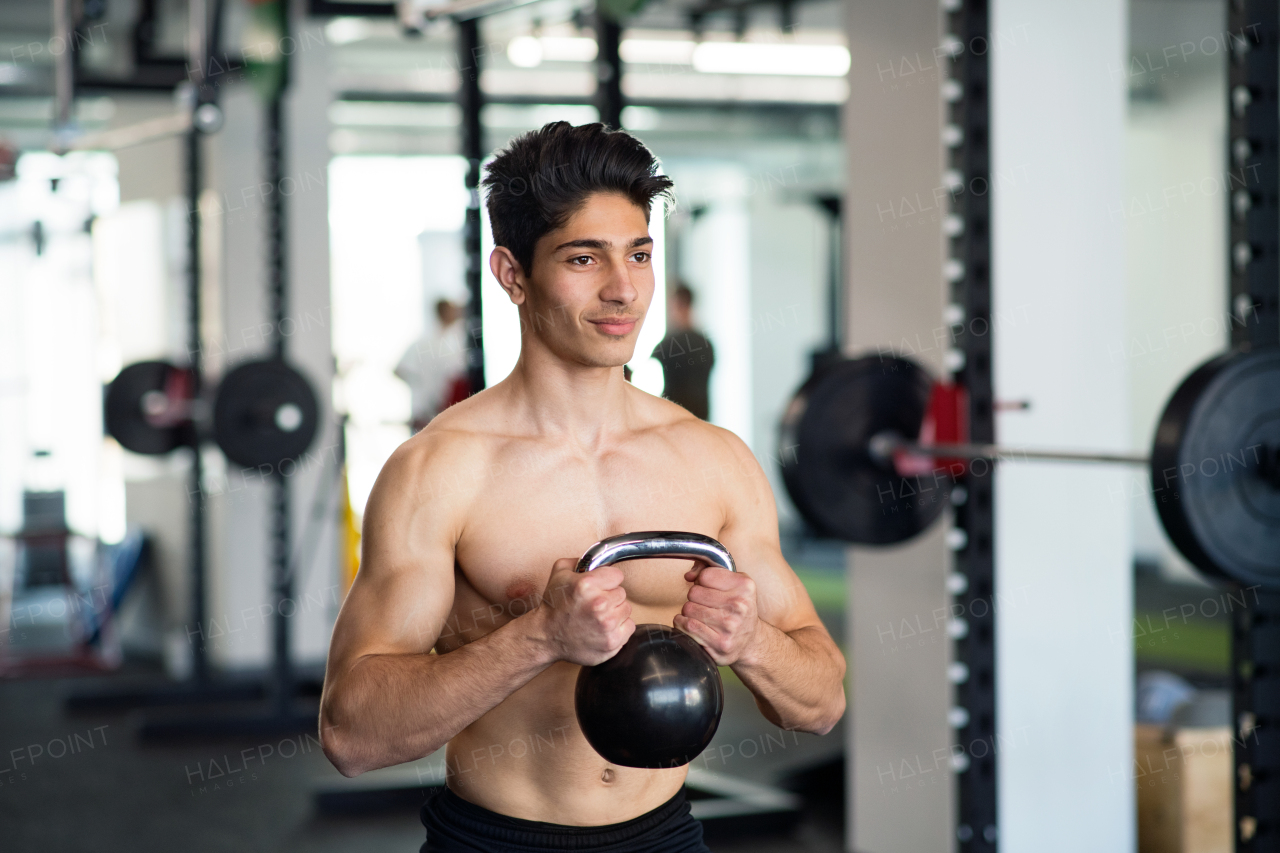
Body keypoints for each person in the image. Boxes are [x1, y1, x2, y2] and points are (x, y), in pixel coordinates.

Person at [320, 122, 846, 853]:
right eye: (583, 258)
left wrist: (750, 639)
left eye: (638, 254)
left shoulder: (714, 459)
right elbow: (350, 734)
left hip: (665, 837)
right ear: (512, 274)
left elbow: (822, 702)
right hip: (496, 840)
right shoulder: (439, 469)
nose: (623, 288)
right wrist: (537, 637)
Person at [394, 298, 468, 432]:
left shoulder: (455, 342)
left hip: (443, 412)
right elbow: (399, 370)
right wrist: (420, 386)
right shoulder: (426, 343)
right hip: (427, 414)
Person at [651, 284, 715, 419]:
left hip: (673, 418)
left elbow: (638, 374)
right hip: (702, 418)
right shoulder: (706, 344)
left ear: (679, 305)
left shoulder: (669, 344)